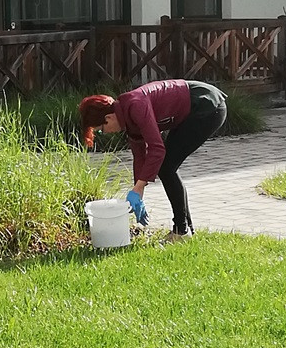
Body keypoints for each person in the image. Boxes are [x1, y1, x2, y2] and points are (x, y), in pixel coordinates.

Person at [79, 79, 227, 240]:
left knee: (166, 168)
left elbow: (157, 149)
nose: (106, 133)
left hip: (206, 105)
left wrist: (140, 187)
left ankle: (181, 231)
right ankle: (185, 229)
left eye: (100, 130)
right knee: (167, 168)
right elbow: (140, 156)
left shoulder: (135, 105)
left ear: (108, 118)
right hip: (193, 109)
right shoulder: (127, 117)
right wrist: (138, 190)